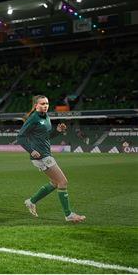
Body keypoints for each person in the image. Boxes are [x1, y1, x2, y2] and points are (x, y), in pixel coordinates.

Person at [17, 95, 85, 223]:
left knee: (55, 183)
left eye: (47, 103)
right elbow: (20, 137)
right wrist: (31, 150)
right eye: (42, 103)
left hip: (46, 154)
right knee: (63, 182)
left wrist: (58, 131)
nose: (45, 105)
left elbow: (46, 136)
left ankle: (31, 202)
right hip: (41, 156)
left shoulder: (46, 117)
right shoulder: (33, 118)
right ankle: (68, 215)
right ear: (36, 106)